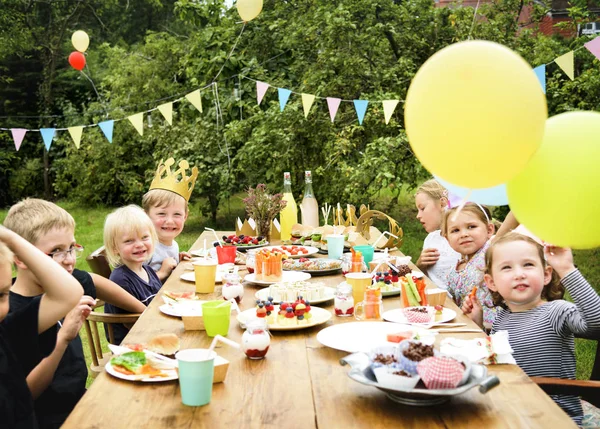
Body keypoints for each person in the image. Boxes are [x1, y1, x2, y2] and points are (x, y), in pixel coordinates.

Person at [4, 198, 147, 428]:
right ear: (21, 257)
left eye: (72, 247)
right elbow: (22, 396)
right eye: (56, 251)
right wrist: (61, 340)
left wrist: (144, 311)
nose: (69, 260)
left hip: (83, 401)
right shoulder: (9, 312)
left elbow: (95, 281)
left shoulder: (70, 279)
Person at [462, 232, 600, 426]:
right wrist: (478, 324)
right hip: (510, 406)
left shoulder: (557, 311)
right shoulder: (503, 316)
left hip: (552, 415)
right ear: (491, 282)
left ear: (546, 275)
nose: (519, 274)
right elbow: (499, 359)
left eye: (528, 264)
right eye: (507, 267)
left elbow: (598, 322)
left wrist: (567, 269)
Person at [0, 225, 82, 428]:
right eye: (56, 251)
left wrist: (9, 238)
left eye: (1, 295)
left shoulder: (5, 333)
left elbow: (69, 293)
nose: (69, 259)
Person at [103, 205, 162, 344]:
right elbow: (130, 324)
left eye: (144, 237)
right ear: (115, 247)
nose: (139, 244)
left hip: (152, 333)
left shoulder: (148, 271)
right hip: (131, 345)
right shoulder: (121, 280)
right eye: (129, 241)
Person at [442, 203, 497, 329]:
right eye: (455, 230)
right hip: (466, 328)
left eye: (471, 227)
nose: (464, 234)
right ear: (447, 239)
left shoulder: (490, 253)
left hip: (493, 330)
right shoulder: (453, 271)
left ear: (489, 230)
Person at [142, 158, 198, 281]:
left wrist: (178, 260)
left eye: (177, 214)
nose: (170, 221)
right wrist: (161, 272)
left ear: (185, 216)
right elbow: (135, 284)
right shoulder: (144, 248)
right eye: (162, 214)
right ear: (146, 215)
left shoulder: (174, 245)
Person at [414, 179, 461, 290]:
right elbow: (425, 278)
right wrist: (420, 265)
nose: (418, 216)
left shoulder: (463, 239)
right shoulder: (431, 239)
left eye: (422, 208)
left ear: (442, 203)